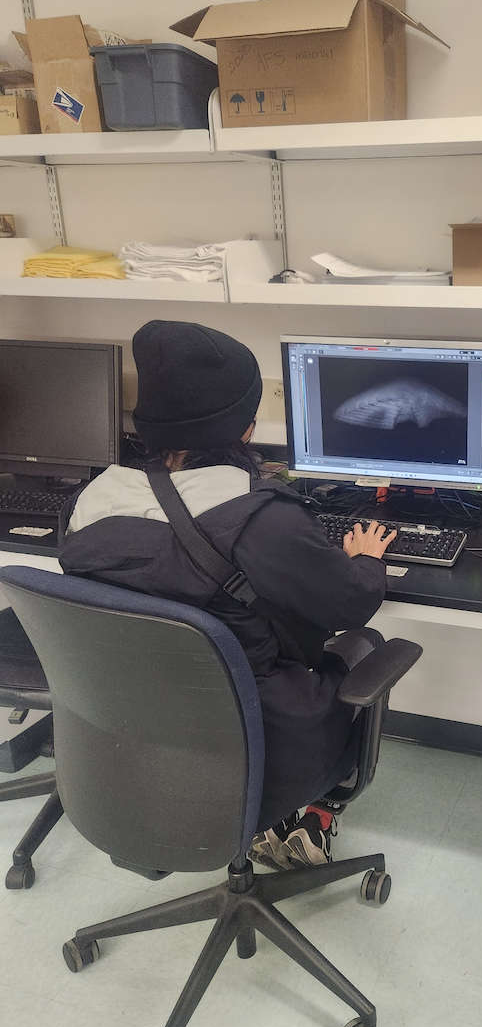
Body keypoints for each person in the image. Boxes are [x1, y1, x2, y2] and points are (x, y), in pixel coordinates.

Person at [58, 319, 397, 869]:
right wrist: (364, 560)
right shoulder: (259, 519)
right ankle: (314, 808)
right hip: (266, 743)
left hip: (133, 745)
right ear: (245, 428)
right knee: (364, 642)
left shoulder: (89, 502)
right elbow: (349, 604)